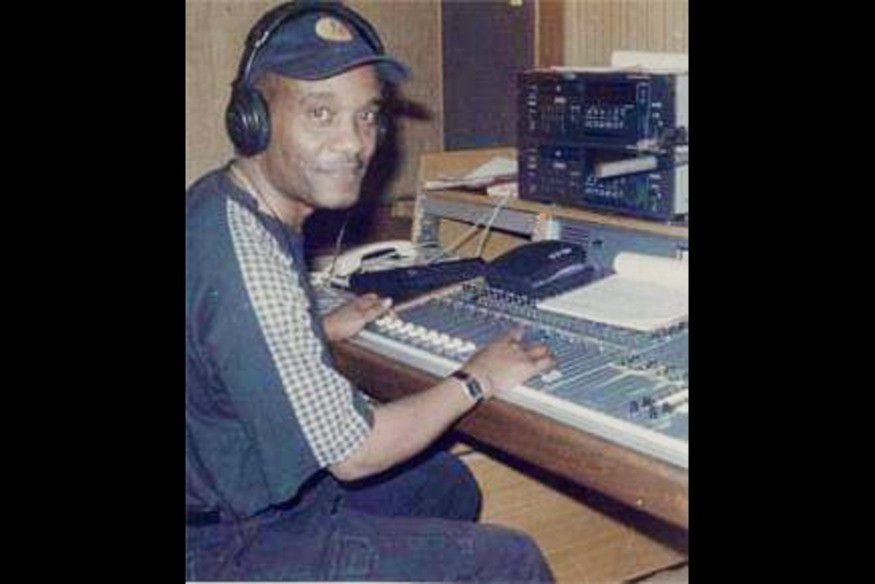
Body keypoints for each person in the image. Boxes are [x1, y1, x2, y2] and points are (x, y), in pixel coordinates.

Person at [185, 1, 557, 581]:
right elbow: (355, 455)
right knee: (511, 561)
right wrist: (476, 378)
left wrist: (315, 329)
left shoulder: (219, 201)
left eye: (366, 116)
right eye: (320, 113)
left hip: (229, 493)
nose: (354, 143)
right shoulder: (250, 261)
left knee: (444, 484)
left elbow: (227, 343)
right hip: (228, 545)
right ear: (253, 118)